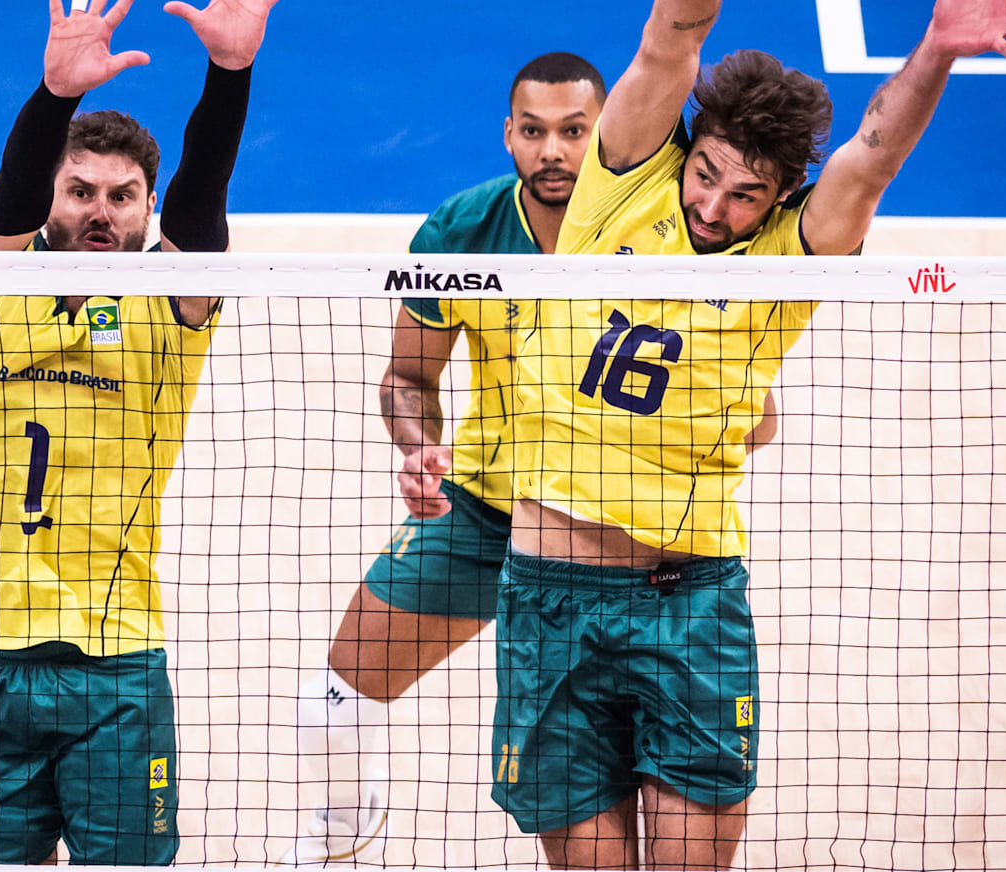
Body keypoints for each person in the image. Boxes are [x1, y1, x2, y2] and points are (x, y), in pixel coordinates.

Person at [497, 0, 1006, 869]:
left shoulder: (789, 264)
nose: (714, 207)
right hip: (551, 597)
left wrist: (939, 47)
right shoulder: (623, 173)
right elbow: (671, 39)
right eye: (707, 176)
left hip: (688, 603)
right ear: (691, 147)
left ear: (781, 196)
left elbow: (871, 155)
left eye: (744, 195)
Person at [288, 55, 781, 864]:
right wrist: (418, 451)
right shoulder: (461, 231)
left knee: (619, 770)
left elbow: (755, 408)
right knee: (333, 701)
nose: (553, 152)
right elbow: (408, 378)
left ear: (609, 135)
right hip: (484, 511)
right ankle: (342, 829)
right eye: (534, 131)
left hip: (620, 532)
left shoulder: (667, 222)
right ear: (508, 134)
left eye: (574, 133)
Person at [0, 0, 292, 865]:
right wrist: (57, 94)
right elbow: (9, 196)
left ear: (146, 212)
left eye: (123, 197)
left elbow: (202, 199)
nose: (99, 209)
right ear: (52, 199)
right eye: (80, 189)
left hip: (116, 662)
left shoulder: (174, 311)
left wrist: (230, 75)